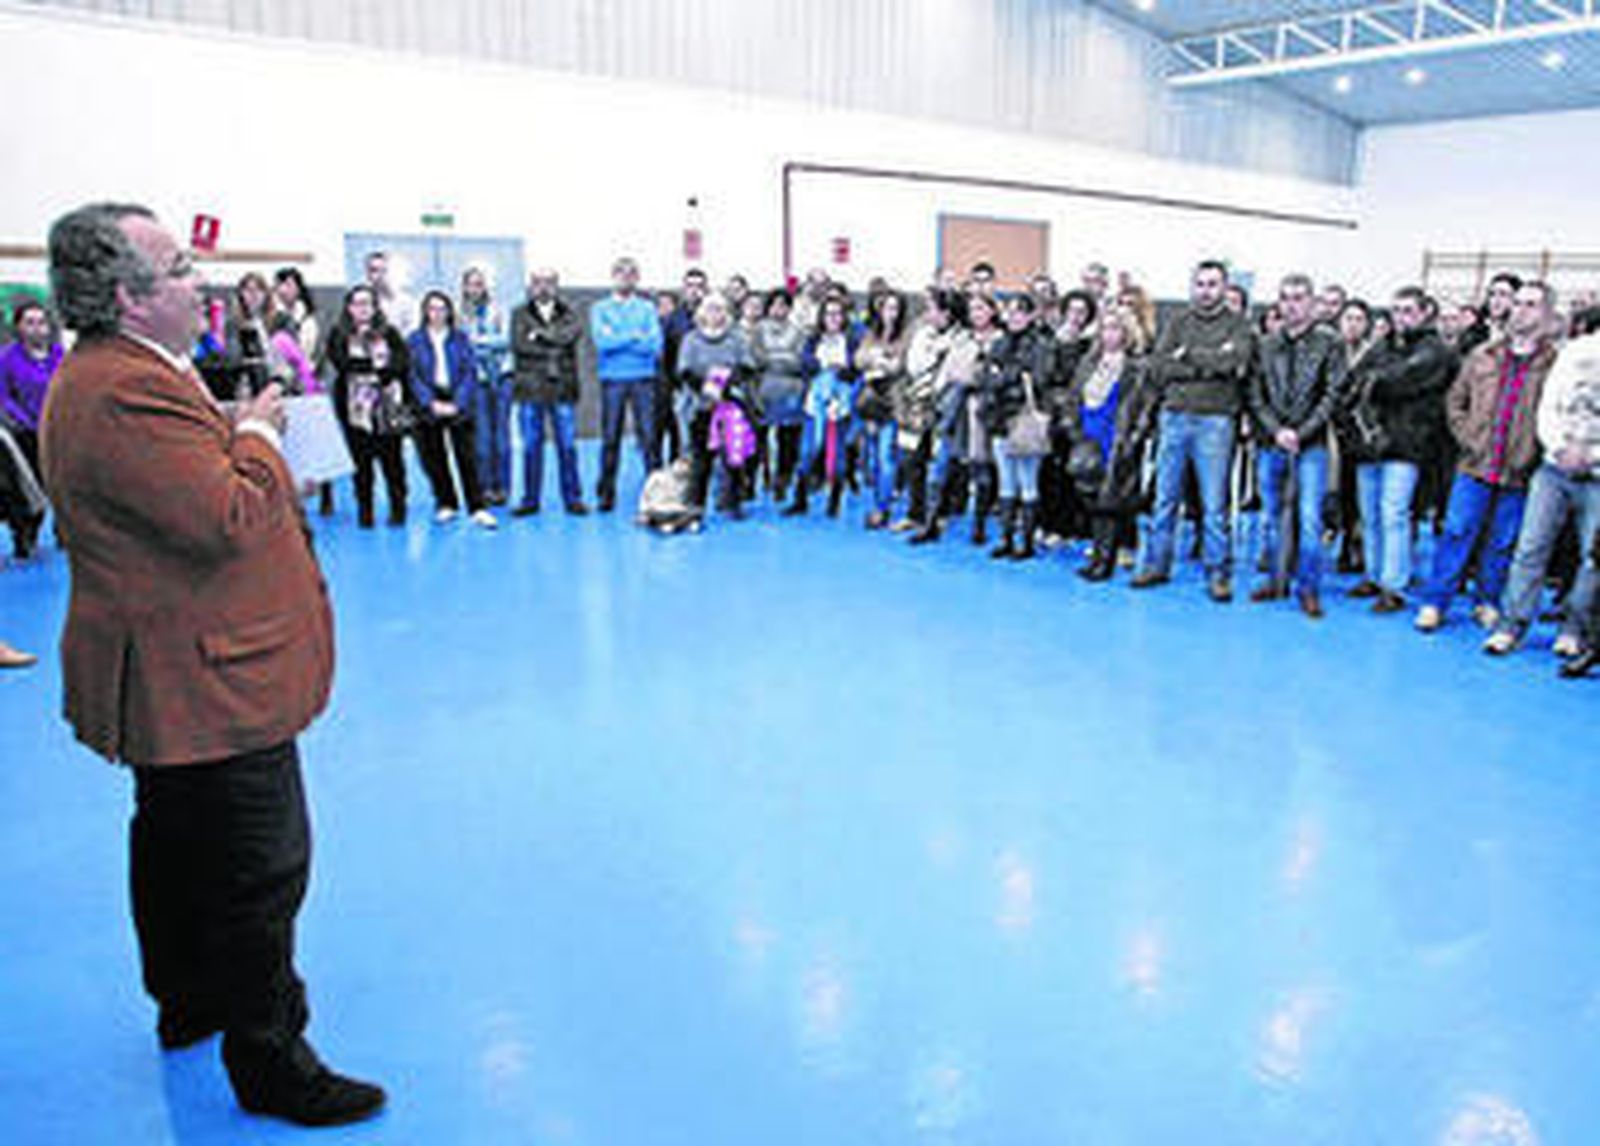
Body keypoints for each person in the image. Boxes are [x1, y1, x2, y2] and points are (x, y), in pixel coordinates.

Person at [38, 202, 384, 1126]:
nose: (204, 283)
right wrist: (262, 434)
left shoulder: (131, 376)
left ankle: (189, 999)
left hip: (170, 666)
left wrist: (230, 432)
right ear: (128, 298)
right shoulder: (121, 389)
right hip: (207, 676)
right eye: (182, 269)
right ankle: (271, 1059)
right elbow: (225, 514)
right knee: (260, 865)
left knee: (175, 840)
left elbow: (184, 476)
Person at [1415, 282, 1560, 634]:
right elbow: (1456, 402)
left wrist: (1534, 450)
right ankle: (1436, 602)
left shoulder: (1554, 364)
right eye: (1518, 303)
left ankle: (1487, 602)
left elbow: (1556, 411)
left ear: (1546, 313)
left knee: (1502, 542)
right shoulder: (1483, 355)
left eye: (1531, 304)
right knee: (1455, 532)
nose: (1520, 310)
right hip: (1474, 464)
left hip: (1520, 469)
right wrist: (1469, 439)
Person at [1132, 260, 1255, 602]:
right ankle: (1156, 565)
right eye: (1200, 283)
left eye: (1213, 284)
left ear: (1224, 287)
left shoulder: (1240, 325)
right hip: (1174, 417)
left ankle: (1218, 574)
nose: (1205, 290)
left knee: (1214, 504)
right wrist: (1209, 361)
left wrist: (1188, 357)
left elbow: (1234, 364)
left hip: (1216, 421)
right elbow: (1160, 367)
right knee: (1164, 498)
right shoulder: (1177, 322)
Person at [1483, 316, 1600, 659]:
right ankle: (1511, 626)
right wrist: (1561, 448)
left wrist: (1592, 454)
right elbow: (1547, 406)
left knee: (1591, 559)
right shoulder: (1575, 352)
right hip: (1554, 468)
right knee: (1530, 549)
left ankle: (1574, 629)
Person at [1343, 286, 1457, 614]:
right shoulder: (1382, 346)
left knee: (1394, 514)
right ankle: (1374, 575)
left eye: (1408, 310)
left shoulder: (1435, 351)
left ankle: (1394, 585)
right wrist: (1372, 383)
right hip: (1369, 442)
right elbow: (1356, 380)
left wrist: (1374, 383)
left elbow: (1403, 379)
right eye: (1396, 310)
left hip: (1408, 445)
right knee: (1371, 514)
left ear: (1424, 313)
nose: (1401, 317)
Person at [1245, 274, 1347, 619]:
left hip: (1312, 443)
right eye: (1285, 298)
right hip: (1271, 441)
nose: (1292, 305)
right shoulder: (1266, 343)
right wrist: (1276, 431)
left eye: (1299, 298)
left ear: (1312, 302)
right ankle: (1276, 581)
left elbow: (1333, 394)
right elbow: (1255, 393)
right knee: (1273, 515)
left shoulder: (1330, 343)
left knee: (1309, 519)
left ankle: (1308, 589)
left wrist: (1300, 433)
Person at [1063, 305, 1157, 581]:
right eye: (1105, 327)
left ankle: (1106, 559)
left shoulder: (1137, 367)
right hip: (1087, 434)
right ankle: (1098, 552)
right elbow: (1073, 398)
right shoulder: (1088, 362)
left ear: (1127, 332)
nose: (1109, 333)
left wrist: (1132, 440)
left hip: (1115, 437)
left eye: (1115, 327)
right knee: (1090, 498)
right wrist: (1073, 430)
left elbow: (1144, 409)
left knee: (1111, 501)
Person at [407, 291, 495, 528]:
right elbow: (412, 375)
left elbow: (469, 371)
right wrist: (429, 402)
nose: (437, 313)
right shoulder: (414, 340)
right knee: (434, 457)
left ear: (449, 312)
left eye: (442, 308)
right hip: (429, 401)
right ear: (425, 312)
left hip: (458, 399)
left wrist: (458, 402)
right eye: (432, 308)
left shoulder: (461, 338)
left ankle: (477, 507)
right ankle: (446, 504)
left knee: (467, 456)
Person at [327, 285, 411, 528]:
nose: (362, 309)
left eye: (367, 303)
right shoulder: (339, 333)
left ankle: (398, 508)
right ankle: (365, 510)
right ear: (349, 308)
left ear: (375, 307)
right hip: (354, 410)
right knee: (361, 464)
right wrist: (375, 367)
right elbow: (342, 363)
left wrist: (375, 370)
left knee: (393, 461)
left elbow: (402, 361)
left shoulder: (390, 332)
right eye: (357, 304)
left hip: (388, 407)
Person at [508, 269, 586, 517]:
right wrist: (553, 343)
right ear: (531, 286)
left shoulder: (570, 313)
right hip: (530, 390)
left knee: (568, 446)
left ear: (556, 286)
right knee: (531, 447)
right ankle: (530, 500)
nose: (543, 287)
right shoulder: (519, 314)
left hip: (562, 388)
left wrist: (539, 336)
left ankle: (573, 499)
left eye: (549, 282)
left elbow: (570, 336)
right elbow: (520, 345)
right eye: (538, 282)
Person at [590, 256, 662, 512]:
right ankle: (605, 493)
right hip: (613, 380)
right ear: (613, 276)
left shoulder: (647, 308)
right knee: (611, 438)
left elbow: (654, 345)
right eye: (621, 273)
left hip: (643, 378)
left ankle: (657, 494)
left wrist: (618, 337)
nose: (626, 278)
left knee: (649, 438)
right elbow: (602, 343)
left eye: (631, 273)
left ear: (637, 278)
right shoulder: (600, 309)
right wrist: (634, 336)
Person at [787, 295, 860, 518]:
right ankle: (800, 500)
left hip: (841, 405)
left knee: (837, 453)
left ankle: (835, 499)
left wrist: (843, 371)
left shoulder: (851, 340)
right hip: (814, 404)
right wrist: (822, 365)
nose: (833, 318)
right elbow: (803, 363)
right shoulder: (813, 339)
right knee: (808, 450)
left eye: (838, 313)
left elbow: (857, 368)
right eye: (829, 313)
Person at [0, 299, 63, 559]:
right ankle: (25, 533)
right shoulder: (7, 358)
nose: (37, 328)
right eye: (30, 322)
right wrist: (26, 421)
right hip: (24, 432)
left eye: (41, 322)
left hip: (59, 428)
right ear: (19, 327)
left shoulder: (60, 354)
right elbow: (4, 397)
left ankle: (66, 531)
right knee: (29, 486)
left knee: (63, 485)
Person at [855, 289, 911, 529]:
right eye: (887, 308)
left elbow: (901, 366)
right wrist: (877, 359)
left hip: (894, 402)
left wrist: (879, 360)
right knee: (873, 460)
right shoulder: (870, 334)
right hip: (870, 403)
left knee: (886, 457)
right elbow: (858, 359)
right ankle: (880, 499)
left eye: (895, 308)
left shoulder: (907, 336)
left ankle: (882, 508)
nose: (890, 313)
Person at [459, 266, 513, 507]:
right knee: (481, 437)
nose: (475, 288)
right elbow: (461, 345)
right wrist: (485, 345)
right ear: (464, 288)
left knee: (501, 434)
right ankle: (484, 488)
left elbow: (507, 340)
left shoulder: (499, 309)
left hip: (502, 376)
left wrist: (479, 342)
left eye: (479, 283)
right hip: (476, 380)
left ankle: (503, 487)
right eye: (471, 284)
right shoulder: (458, 315)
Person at [751, 288, 807, 501]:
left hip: (792, 391)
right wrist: (784, 358)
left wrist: (774, 359)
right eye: (775, 305)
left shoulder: (799, 331)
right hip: (763, 390)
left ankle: (782, 481)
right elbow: (756, 358)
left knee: (788, 441)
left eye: (784, 305)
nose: (779, 309)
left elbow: (800, 361)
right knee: (759, 439)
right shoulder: (758, 330)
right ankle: (758, 479)